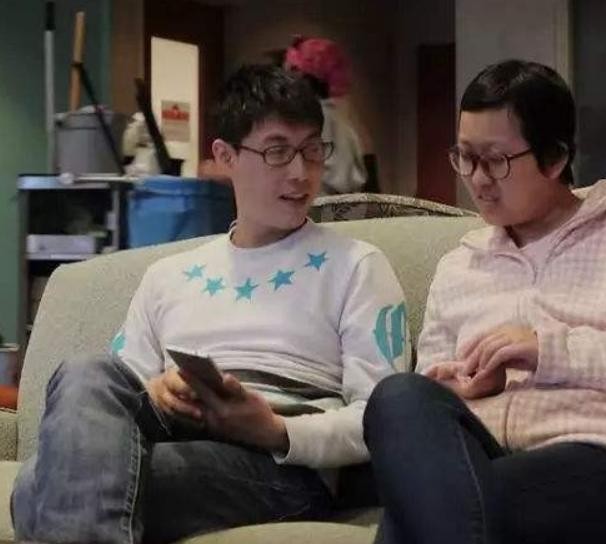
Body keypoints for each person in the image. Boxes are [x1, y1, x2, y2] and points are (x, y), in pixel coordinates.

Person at [12, 64, 410, 544]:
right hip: (172, 432)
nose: (300, 172)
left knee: (43, 487)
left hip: (279, 465)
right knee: (86, 371)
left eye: (311, 150)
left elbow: (383, 417)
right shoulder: (168, 275)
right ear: (225, 156)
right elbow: (114, 395)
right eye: (277, 152)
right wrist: (159, 390)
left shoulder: (357, 265)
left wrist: (274, 430)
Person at [362, 59, 606, 544]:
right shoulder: (458, 264)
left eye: (495, 160)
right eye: (465, 157)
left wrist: (549, 350)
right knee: (400, 396)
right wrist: (466, 387)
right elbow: (435, 395)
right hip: (488, 463)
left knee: (415, 519)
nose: (477, 179)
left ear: (554, 158)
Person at [284, 36, 368, 195]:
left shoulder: (323, 120)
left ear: (305, 78)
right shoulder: (332, 119)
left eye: (293, 71)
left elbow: (342, 182)